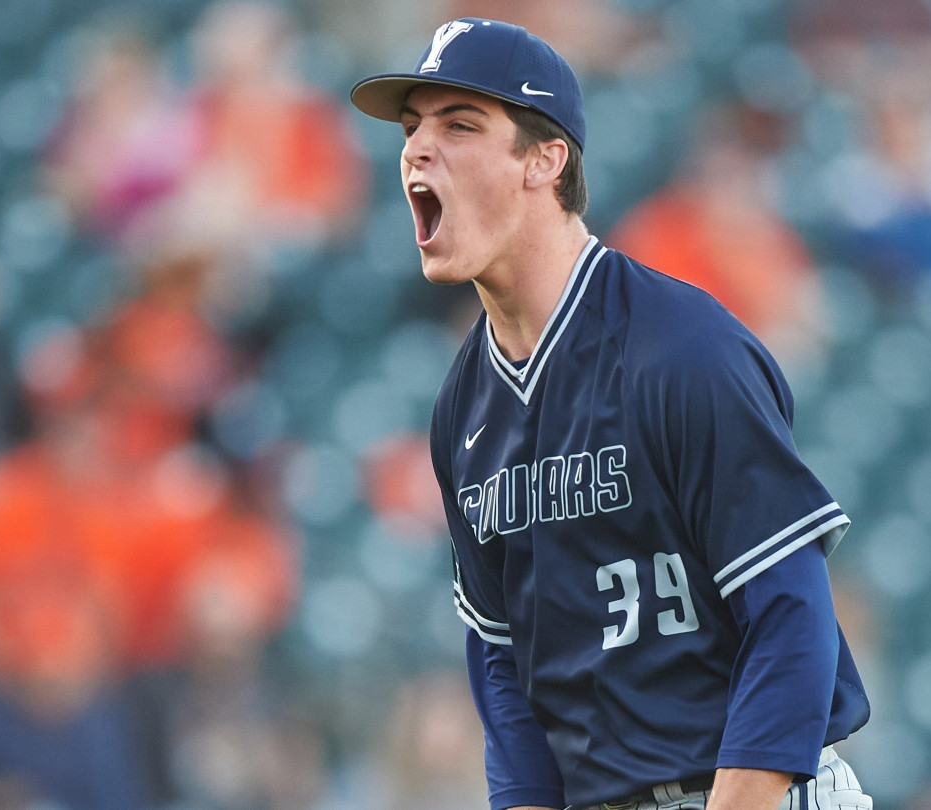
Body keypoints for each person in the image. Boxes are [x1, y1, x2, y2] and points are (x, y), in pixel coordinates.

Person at [350, 18, 871, 810]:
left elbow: (793, 616)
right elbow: (504, 663)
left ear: (544, 160)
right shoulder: (463, 404)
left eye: (460, 125)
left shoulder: (681, 349)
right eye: (413, 126)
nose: (419, 148)